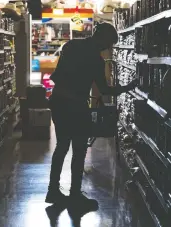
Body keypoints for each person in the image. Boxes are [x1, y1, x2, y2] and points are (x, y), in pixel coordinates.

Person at [45, 23, 137, 206]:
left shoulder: (71, 46)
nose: (108, 48)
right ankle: (75, 196)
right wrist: (128, 87)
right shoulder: (96, 59)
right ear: (102, 38)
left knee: (62, 145)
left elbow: (59, 75)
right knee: (79, 150)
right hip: (76, 106)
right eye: (109, 43)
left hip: (58, 100)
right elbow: (104, 90)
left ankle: (53, 191)